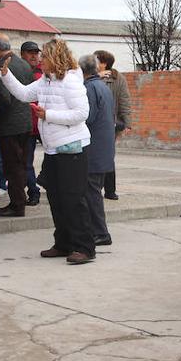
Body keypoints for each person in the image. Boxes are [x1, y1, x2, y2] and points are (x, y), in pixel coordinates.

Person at [0, 38, 92, 264]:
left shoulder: (70, 82)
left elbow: (82, 113)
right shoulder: (45, 82)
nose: (40, 60)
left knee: (73, 199)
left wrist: (47, 115)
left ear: (56, 58)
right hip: (53, 149)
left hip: (73, 148)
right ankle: (63, 244)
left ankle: (85, 248)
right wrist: (5, 75)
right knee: (56, 198)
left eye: (45, 56)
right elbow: (23, 94)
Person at [0, 33, 34, 218]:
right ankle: (19, 200)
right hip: (25, 121)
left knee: (12, 166)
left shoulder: (2, 66)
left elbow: (4, 99)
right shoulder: (23, 63)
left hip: (9, 125)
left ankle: (17, 204)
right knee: (22, 164)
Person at [79, 53, 115, 247]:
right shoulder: (102, 87)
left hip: (94, 149)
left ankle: (100, 232)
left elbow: (88, 117)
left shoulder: (90, 88)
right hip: (103, 148)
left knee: (91, 193)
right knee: (93, 191)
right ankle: (98, 231)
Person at [94, 50, 131, 200]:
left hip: (110, 124)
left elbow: (124, 100)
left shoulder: (117, 79)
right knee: (96, 156)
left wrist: (127, 123)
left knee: (107, 156)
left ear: (103, 63)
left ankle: (110, 190)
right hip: (93, 124)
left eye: (96, 60)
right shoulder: (91, 77)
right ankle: (96, 188)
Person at [21, 41, 44, 206]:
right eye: (30, 52)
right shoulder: (19, 72)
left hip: (45, 123)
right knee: (26, 162)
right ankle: (33, 193)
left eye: (36, 52)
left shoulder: (46, 72)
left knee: (56, 159)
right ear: (23, 54)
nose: (34, 55)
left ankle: (50, 185)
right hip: (27, 126)